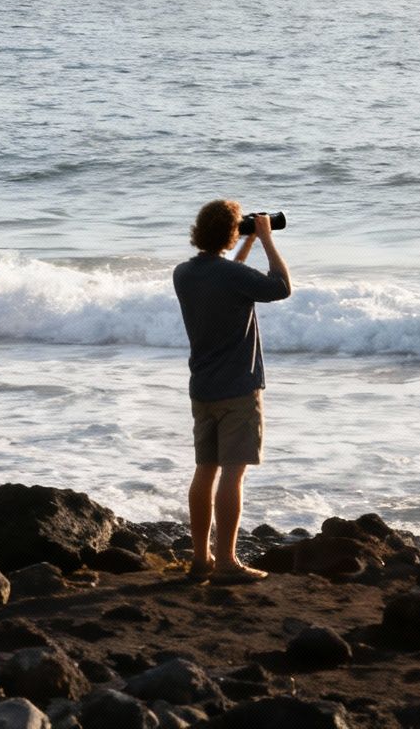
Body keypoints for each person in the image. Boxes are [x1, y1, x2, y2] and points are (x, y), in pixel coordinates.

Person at [171, 199, 291, 582]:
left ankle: (201, 558)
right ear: (228, 233)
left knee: (204, 471)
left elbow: (225, 278)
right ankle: (226, 562)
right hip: (238, 388)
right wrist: (268, 240)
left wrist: (248, 242)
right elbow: (281, 287)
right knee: (232, 475)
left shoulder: (184, 274)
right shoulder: (230, 278)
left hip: (202, 388)